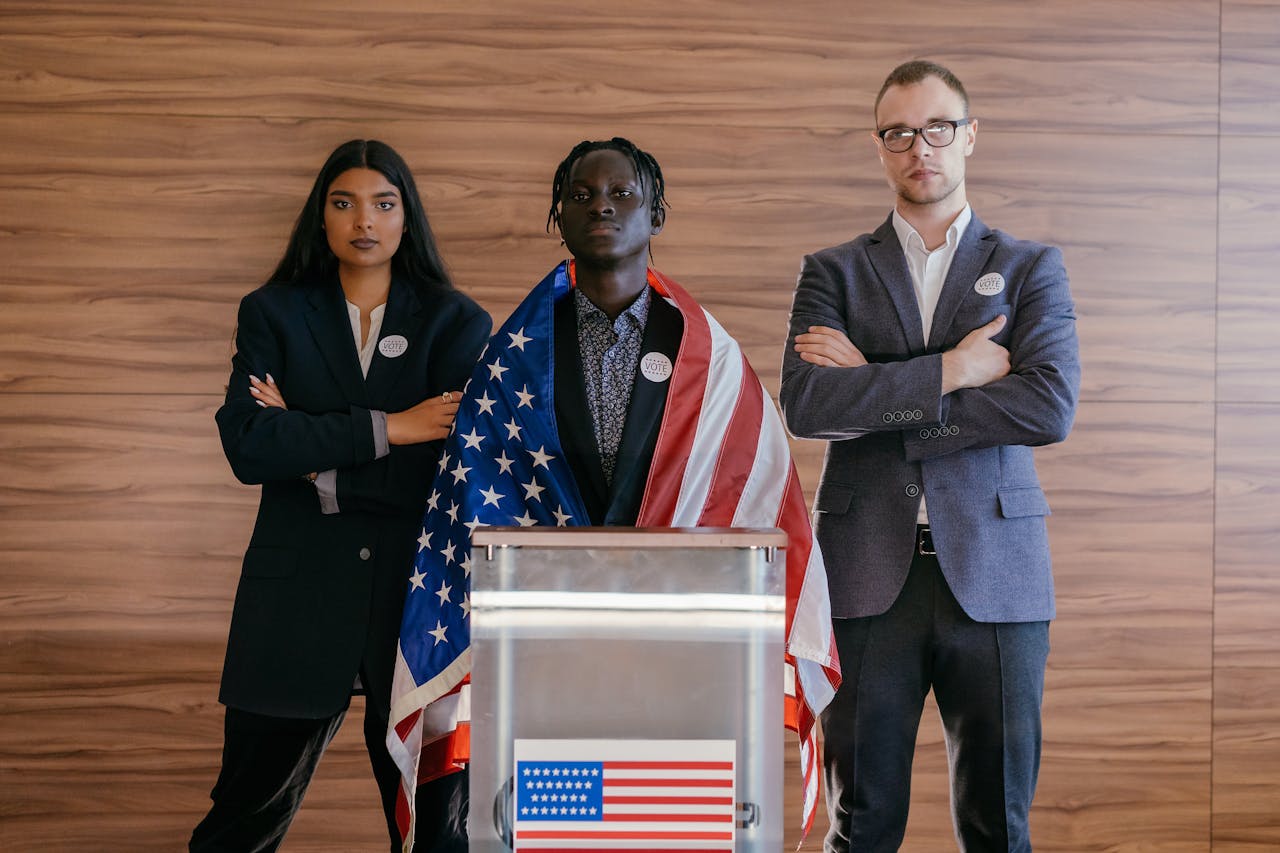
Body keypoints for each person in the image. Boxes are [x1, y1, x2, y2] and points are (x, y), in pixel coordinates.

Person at [385, 137, 842, 849]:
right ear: (558, 218)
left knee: (653, 822)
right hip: (544, 642)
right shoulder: (513, 357)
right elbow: (477, 498)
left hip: (674, 646)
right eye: (581, 195)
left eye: (621, 193)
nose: (601, 205)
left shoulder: (708, 355)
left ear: (655, 213)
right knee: (556, 823)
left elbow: (753, 499)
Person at [779, 61, 1081, 852]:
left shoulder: (1031, 267)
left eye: (938, 127)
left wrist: (878, 389)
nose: (921, 147)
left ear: (969, 135)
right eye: (900, 132)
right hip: (866, 573)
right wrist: (955, 369)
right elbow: (808, 406)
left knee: (998, 823)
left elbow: (1046, 406)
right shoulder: (834, 272)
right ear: (879, 146)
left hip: (998, 570)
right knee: (862, 824)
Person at [193, 139, 491, 853]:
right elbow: (250, 446)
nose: (365, 220)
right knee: (240, 825)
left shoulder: (456, 322)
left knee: (437, 833)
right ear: (320, 217)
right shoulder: (272, 312)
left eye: (384, 204)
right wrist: (396, 426)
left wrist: (312, 458)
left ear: (407, 217)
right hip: (295, 597)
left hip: (417, 606)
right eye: (344, 203)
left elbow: (446, 471)